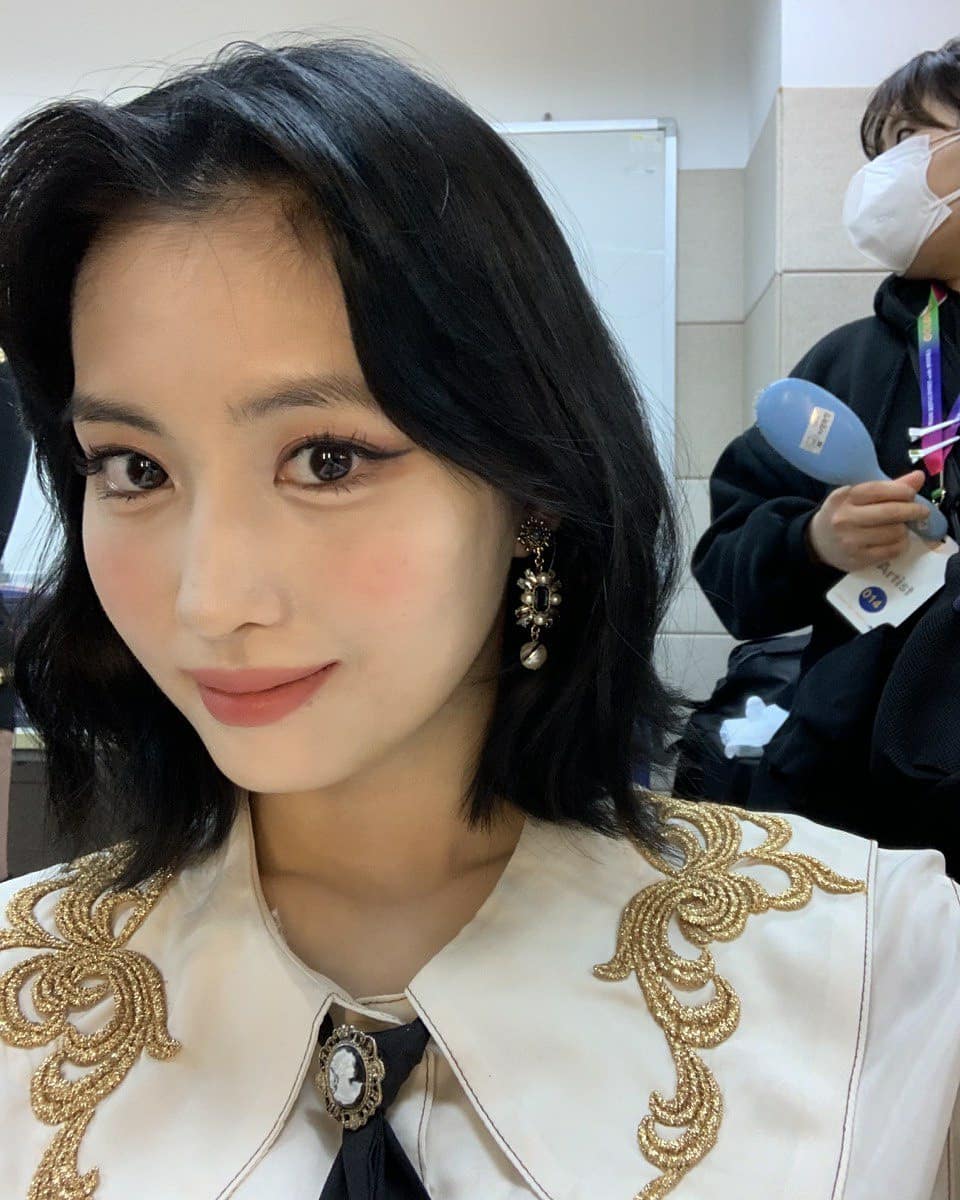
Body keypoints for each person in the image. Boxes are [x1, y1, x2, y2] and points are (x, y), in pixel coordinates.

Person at [0, 38, 956, 1200]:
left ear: (531, 486)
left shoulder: (884, 976)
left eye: (327, 457)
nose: (208, 598)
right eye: (133, 468)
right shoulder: (20, 987)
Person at [690, 38, 960, 869]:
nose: (883, 175)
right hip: (848, 803)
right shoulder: (848, 364)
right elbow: (725, 561)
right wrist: (813, 541)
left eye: (910, 140)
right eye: (878, 153)